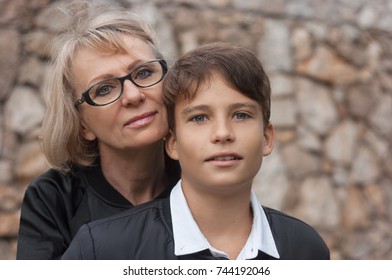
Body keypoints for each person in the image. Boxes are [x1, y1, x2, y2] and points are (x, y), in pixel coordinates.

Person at [61, 42, 330, 260]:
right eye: (199, 118)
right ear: (173, 143)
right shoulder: (101, 251)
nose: (223, 133)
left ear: (267, 137)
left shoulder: (306, 249)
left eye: (241, 115)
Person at [16, 0, 179, 260]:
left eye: (144, 72)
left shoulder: (201, 179)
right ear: (82, 124)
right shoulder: (54, 199)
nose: (133, 95)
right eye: (104, 89)